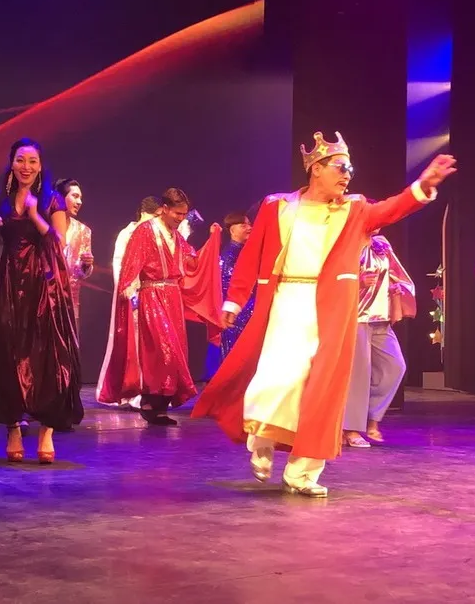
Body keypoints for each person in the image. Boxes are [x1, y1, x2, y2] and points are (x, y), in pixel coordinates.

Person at [193, 132, 456, 497]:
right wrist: (233, 302)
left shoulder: (354, 209)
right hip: (287, 300)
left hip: (332, 308)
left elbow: (391, 209)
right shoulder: (278, 206)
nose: (347, 175)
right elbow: (253, 255)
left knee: (324, 389)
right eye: (340, 167)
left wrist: (423, 186)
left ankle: (302, 472)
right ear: (316, 169)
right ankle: (263, 438)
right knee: (280, 377)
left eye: (351, 169)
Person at [0, 137, 82, 464]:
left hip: (45, 281)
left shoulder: (52, 199)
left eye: (32, 161)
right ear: (12, 162)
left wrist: (35, 215)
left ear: (40, 165)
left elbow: (59, 241)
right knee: (9, 349)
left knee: (47, 352)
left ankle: (47, 430)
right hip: (10, 279)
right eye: (20, 160)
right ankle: (13, 428)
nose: (26, 167)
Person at [98, 188, 223, 425]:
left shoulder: (175, 235)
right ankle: (149, 402)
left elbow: (191, 260)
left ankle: (160, 406)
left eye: (184, 214)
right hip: (152, 294)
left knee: (175, 352)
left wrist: (212, 241)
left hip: (172, 297)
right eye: (177, 213)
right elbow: (131, 262)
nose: (181, 218)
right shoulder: (145, 231)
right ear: (164, 209)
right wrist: (130, 292)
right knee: (161, 351)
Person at [341, 231, 414, 448]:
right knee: (359, 375)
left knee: (395, 367)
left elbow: (396, 273)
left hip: (381, 317)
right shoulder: (348, 241)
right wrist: (358, 281)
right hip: (357, 317)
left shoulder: (381, 243)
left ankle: (370, 417)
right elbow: (334, 279)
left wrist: (394, 288)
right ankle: (351, 428)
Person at [96, 196, 160, 406]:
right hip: (133, 293)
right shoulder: (128, 233)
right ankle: (132, 390)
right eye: (156, 216)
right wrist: (128, 289)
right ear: (146, 213)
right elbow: (120, 264)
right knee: (133, 343)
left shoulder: (155, 233)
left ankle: (150, 389)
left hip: (151, 294)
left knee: (150, 343)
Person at [206, 211, 255, 379]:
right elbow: (229, 281)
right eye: (243, 225)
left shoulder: (243, 252)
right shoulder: (230, 255)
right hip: (239, 313)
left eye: (249, 224)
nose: (249, 228)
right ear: (232, 230)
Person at [55, 178, 94, 327]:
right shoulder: (44, 226)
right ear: (60, 197)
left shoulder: (83, 231)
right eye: (75, 196)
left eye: (81, 198)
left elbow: (80, 273)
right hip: (44, 298)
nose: (79, 202)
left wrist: (86, 265)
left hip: (70, 301)